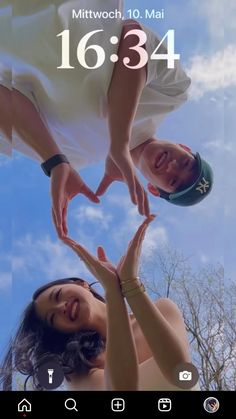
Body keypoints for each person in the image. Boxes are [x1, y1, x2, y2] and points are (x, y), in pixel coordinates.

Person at [0, 1, 213, 238]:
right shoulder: (172, 94)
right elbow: (133, 36)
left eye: (173, 181)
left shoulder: (72, 159)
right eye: (185, 163)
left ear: (153, 189)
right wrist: (118, 141)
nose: (172, 167)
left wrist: (54, 161)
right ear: (184, 148)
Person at [0, 217, 198, 391]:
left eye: (58, 295)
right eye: (53, 318)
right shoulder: (81, 369)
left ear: (81, 284)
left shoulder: (163, 309)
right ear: (59, 331)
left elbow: (181, 374)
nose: (61, 307)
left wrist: (130, 284)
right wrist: (113, 294)